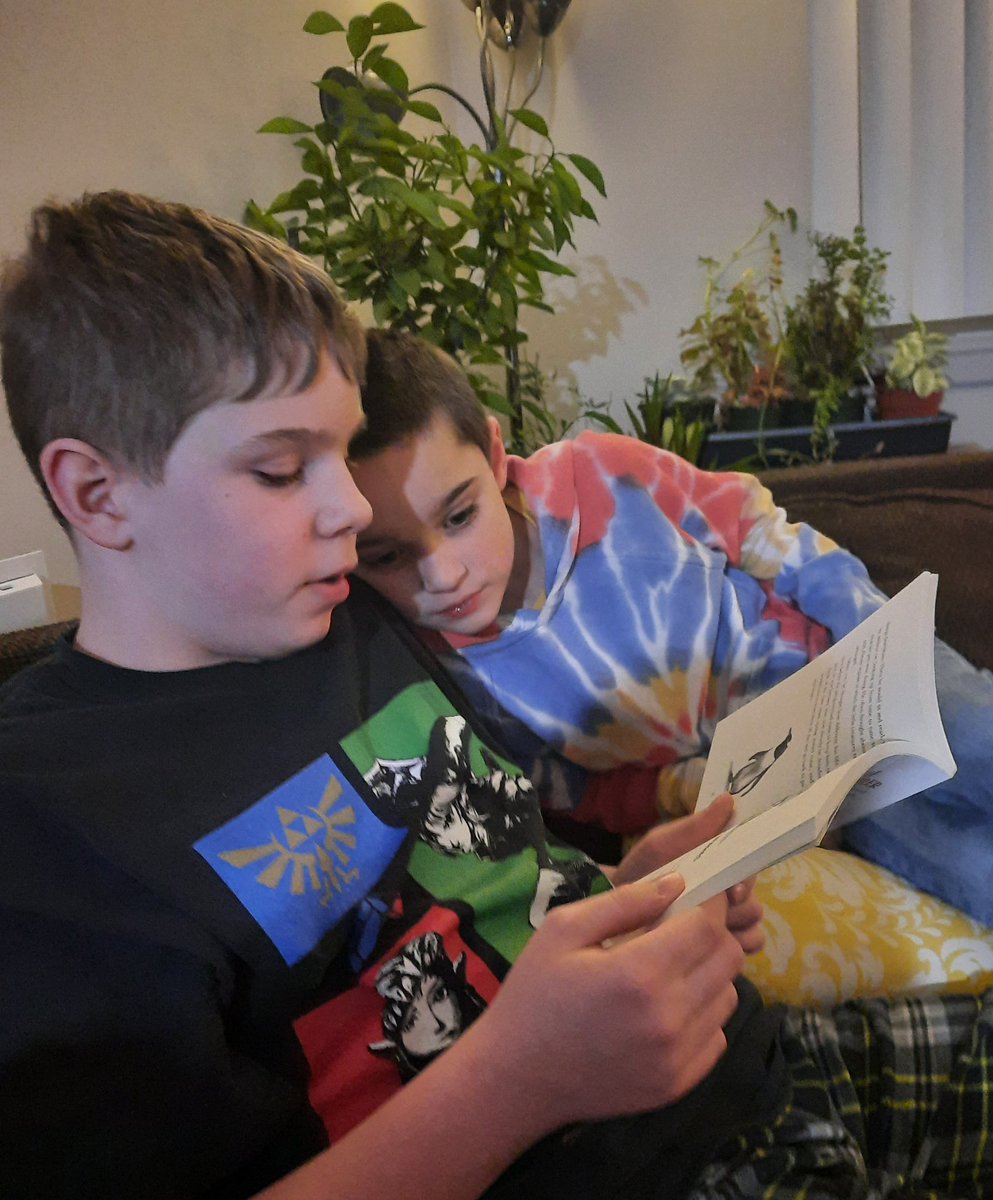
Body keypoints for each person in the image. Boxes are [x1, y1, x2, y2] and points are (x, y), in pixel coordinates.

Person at [0, 191, 990, 1200]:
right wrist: (519, 1081)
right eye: (280, 468)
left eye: (340, 455)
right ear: (96, 493)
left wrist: (634, 890)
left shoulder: (357, 623)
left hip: (762, 1064)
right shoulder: (46, 828)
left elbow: (501, 872)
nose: (349, 508)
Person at [348, 328, 993, 928]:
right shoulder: (447, 678)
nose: (443, 574)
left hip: (852, 659)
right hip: (787, 783)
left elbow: (762, 532)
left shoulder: (598, 472)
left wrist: (869, 628)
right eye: (388, 556)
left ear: (494, 457)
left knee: (975, 733)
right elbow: (572, 790)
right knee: (968, 867)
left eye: (459, 516)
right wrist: (679, 790)